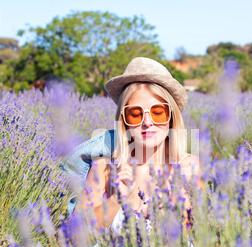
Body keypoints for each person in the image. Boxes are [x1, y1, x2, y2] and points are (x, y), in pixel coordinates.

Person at [74, 57, 202, 235]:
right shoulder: (104, 168)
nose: (147, 122)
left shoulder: (189, 166)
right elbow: (73, 236)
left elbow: (205, 235)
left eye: (158, 113)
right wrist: (116, 199)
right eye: (135, 114)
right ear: (124, 120)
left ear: (172, 116)